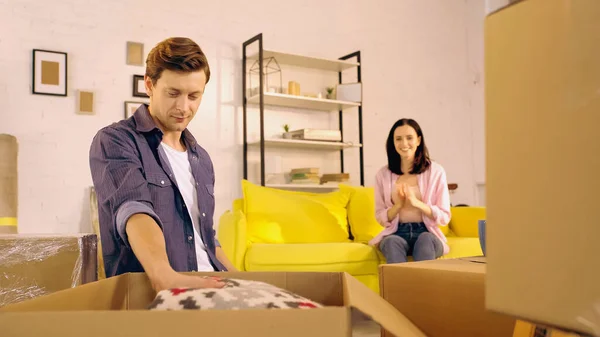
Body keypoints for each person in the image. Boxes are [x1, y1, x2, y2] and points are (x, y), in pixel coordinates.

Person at [89, 37, 236, 292]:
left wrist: (244, 279)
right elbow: (133, 209)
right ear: (149, 84)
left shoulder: (201, 159)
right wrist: (164, 276)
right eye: (173, 93)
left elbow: (207, 237)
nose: (183, 107)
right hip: (157, 293)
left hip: (213, 286)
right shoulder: (116, 141)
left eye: (193, 96)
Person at [368, 118, 451, 263]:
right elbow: (380, 216)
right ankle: (399, 286)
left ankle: (423, 286)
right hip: (397, 232)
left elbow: (444, 216)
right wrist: (397, 206)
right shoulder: (382, 174)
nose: (404, 144)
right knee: (391, 242)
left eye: (409, 138)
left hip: (427, 232)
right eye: (398, 139)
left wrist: (416, 203)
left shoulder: (436, 171)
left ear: (418, 140)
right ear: (393, 143)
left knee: (425, 240)